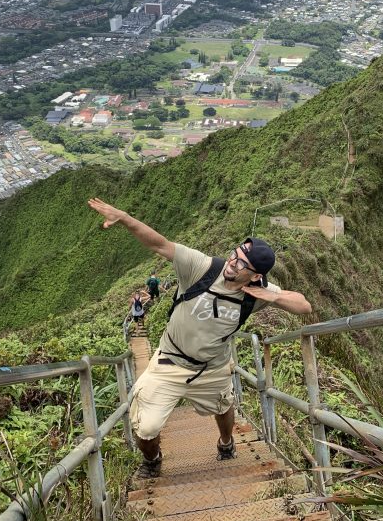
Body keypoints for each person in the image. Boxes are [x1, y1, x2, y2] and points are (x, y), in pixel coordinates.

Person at [87, 197, 312, 479]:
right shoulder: (202, 268)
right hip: (169, 361)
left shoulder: (255, 294)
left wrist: (270, 295)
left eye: (243, 264)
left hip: (213, 367)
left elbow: (304, 306)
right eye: (235, 255)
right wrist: (125, 217)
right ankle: (153, 459)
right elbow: (160, 244)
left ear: (255, 275)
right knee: (146, 427)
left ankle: (226, 443)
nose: (233, 263)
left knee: (223, 406)